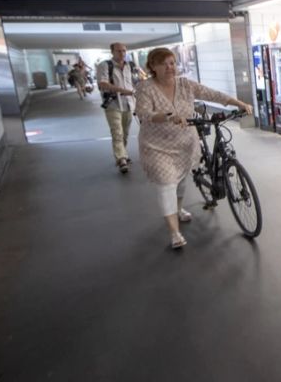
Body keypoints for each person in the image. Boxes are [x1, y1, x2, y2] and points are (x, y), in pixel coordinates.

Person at [135, 47, 253, 250]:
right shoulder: (145, 88)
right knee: (166, 184)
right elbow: (143, 113)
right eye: (164, 64)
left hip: (185, 142)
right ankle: (174, 232)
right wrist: (168, 116)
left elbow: (211, 94)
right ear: (153, 66)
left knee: (180, 181)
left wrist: (238, 102)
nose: (170, 67)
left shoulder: (185, 84)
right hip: (157, 146)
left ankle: (178, 210)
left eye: (172, 62)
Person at [96, 43, 143, 174]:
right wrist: (122, 90)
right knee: (117, 132)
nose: (122, 53)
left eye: (124, 51)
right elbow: (102, 83)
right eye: (118, 51)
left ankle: (123, 153)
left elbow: (136, 81)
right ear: (112, 52)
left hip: (129, 103)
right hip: (113, 104)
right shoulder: (105, 65)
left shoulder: (130, 65)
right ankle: (121, 159)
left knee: (125, 132)